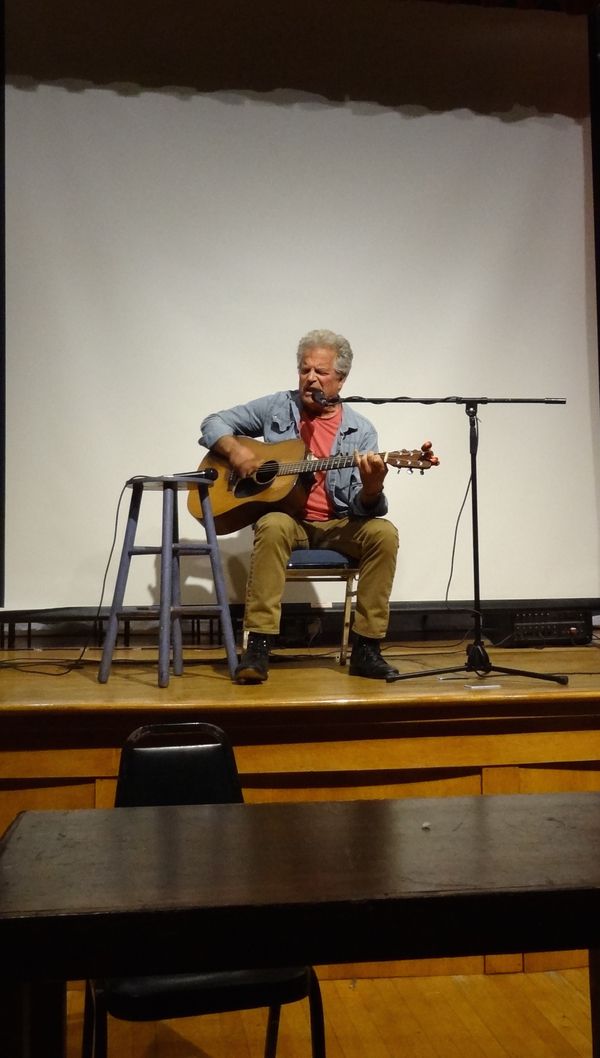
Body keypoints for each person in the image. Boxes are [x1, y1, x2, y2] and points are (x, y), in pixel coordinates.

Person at [199, 328, 402, 684]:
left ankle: (367, 649)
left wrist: (372, 489)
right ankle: (259, 646)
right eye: (304, 370)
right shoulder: (278, 407)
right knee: (273, 524)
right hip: (289, 521)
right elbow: (213, 422)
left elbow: (363, 506)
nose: (310, 378)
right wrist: (237, 451)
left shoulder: (361, 430)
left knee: (383, 533)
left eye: (320, 372)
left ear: (340, 379)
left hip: (339, 524)